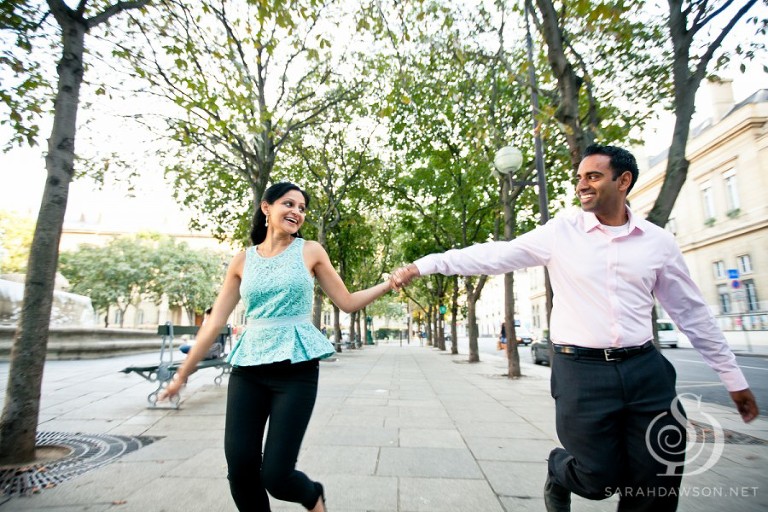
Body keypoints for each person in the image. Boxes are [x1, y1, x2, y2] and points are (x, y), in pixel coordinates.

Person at [390, 144, 759, 511]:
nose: (582, 184)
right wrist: (425, 265)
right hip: (581, 371)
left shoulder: (658, 242)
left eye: (593, 176)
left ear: (623, 180)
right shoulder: (561, 232)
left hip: (646, 371)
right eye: (579, 178)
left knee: (657, 478)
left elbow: (691, 312)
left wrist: (732, 377)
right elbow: (494, 255)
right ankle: (559, 470)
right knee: (598, 477)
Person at [161, 182, 394, 512]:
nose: (297, 212)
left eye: (302, 208)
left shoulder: (310, 251)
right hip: (248, 370)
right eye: (289, 204)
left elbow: (347, 302)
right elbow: (214, 323)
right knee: (240, 469)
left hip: (295, 372)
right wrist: (182, 375)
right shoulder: (242, 260)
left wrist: (390, 282)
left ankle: (313, 496)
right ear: (266, 208)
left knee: (276, 476)